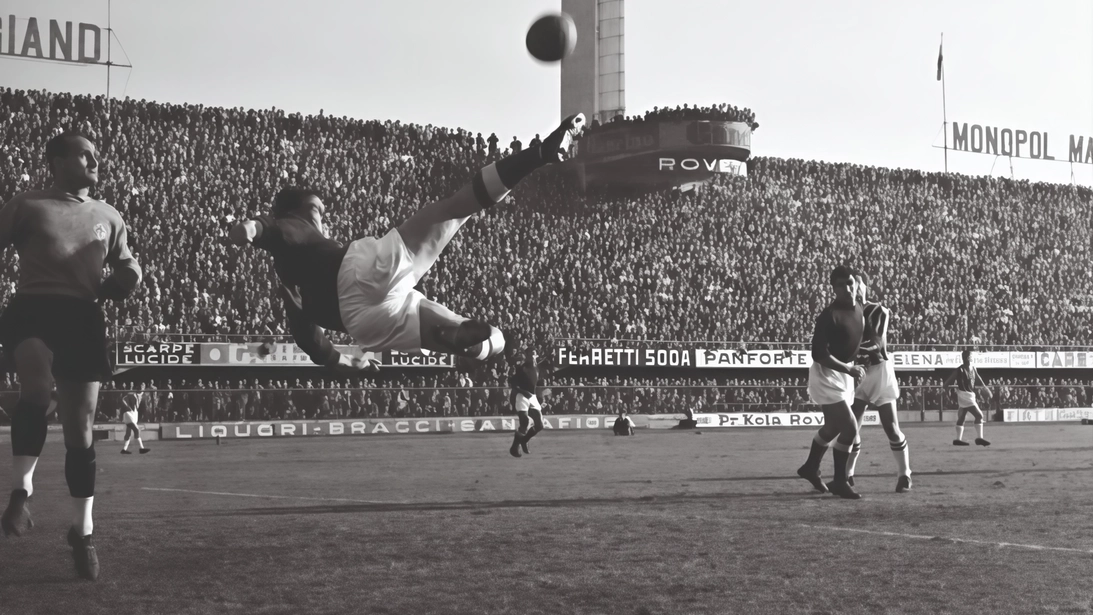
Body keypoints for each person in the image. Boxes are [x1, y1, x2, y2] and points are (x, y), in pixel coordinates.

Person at [228, 115, 584, 370]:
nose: (321, 214)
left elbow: (308, 339)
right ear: (302, 210)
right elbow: (270, 229)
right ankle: (539, 155)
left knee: (488, 338)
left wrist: (345, 363)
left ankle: (477, 343)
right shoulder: (295, 226)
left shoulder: (289, 283)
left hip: (363, 324)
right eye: (317, 208)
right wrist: (250, 229)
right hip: (361, 274)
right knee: (458, 208)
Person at [0, 132, 142, 581]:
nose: (94, 160)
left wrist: (130, 274)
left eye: (97, 155)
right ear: (57, 160)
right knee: (37, 388)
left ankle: (82, 532)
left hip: (83, 314)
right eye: (84, 153)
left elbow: (126, 262)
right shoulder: (25, 204)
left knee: (81, 429)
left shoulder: (109, 216)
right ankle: (21, 490)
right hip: (33, 306)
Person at [796, 265, 865, 499]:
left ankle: (810, 467)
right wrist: (848, 367)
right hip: (827, 375)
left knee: (834, 427)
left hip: (846, 376)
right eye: (842, 285)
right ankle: (839, 480)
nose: (848, 288)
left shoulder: (860, 307)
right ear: (833, 288)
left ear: (857, 282)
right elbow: (819, 354)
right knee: (850, 428)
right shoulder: (828, 316)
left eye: (851, 282)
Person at [844, 272, 911, 493]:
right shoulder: (844, 314)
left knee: (890, 428)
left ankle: (904, 475)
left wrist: (846, 348)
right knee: (852, 428)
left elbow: (876, 344)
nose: (854, 288)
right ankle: (848, 475)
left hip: (880, 371)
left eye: (857, 284)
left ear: (864, 287)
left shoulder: (877, 310)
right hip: (859, 373)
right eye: (850, 285)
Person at [944, 349, 991, 446]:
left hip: (968, 395)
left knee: (961, 417)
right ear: (967, 358)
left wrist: (985, 388)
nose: (972, 357)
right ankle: (979, 438)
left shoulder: (973, 368)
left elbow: (978, 379)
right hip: (965, 395)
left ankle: (958, 439)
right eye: (971, 356)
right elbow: (947, 382)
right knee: (979, 415)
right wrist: (947, 391)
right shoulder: (959, 370)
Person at [509, 349, 544, 458]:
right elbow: (513, 384)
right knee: (524, 423)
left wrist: (539, 397)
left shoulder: (536, 368)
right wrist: (523, 392)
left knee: (539, 425)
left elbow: (534, 385)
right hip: (523, 396)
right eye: (530, 355)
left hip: (532, 397)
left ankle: (524, 440)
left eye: (533, 355)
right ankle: (514, 448)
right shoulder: (522, 369)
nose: (532, 357)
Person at [120, 387, 150, 455]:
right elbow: (125, 400)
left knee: (128, 434)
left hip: (130, 415)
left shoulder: (132, 397)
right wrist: (129, 408)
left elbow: (124, 400)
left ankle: (124, 449)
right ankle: (141, 448)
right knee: (136, 430)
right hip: (129, 415)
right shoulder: (132, 396)